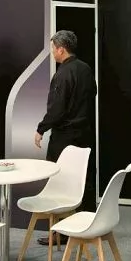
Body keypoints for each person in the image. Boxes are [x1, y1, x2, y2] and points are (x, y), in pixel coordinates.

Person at [34, 31, 96, 246]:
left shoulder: (62, 74)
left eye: (53, 48)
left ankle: (62, 233)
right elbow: (92, 95)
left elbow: (57, 109)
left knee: (60, 183)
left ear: (61, 49)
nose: (52, 52)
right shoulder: (86, 69)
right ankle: (88, 226)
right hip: (85, 134)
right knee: (84, 179)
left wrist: (41, 129)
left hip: (64, 138)